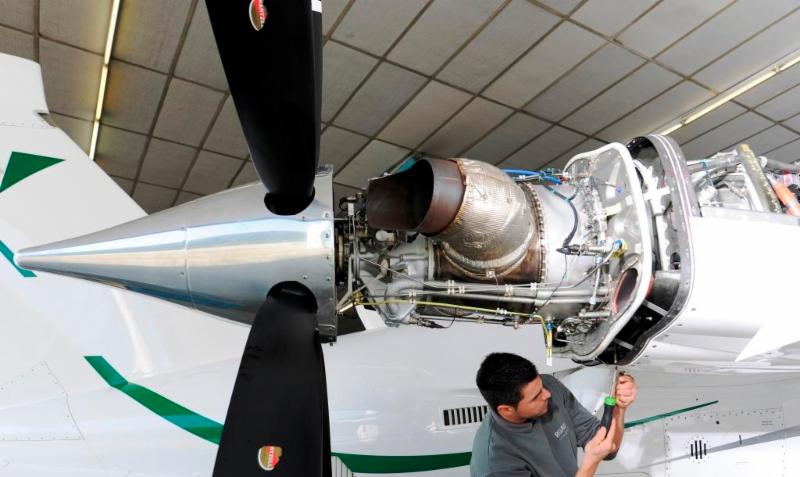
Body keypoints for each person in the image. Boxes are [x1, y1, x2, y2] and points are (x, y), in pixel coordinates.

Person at [470, 352, 637, 477]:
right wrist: (590, 462)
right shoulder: (496, 465)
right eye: (536, 397)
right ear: (506, 409)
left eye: (541, 385)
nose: (547, 395)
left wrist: (618, 409)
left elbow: (607, 449)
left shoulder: (550, 388)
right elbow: (595, 456)